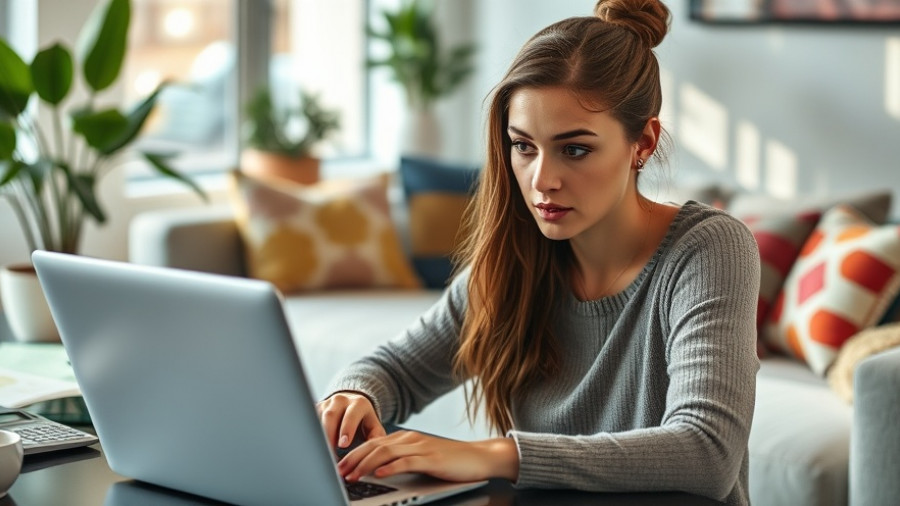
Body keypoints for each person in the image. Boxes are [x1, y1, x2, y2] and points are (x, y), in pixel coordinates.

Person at [317, 0, 760, 504]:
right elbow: (392, 370)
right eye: (523, 146)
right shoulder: (517, 258)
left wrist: (498, 455)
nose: (541, 181)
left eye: (574, 149)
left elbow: (707, 452)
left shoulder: (709, 249)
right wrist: (351, 395)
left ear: (644, 142)